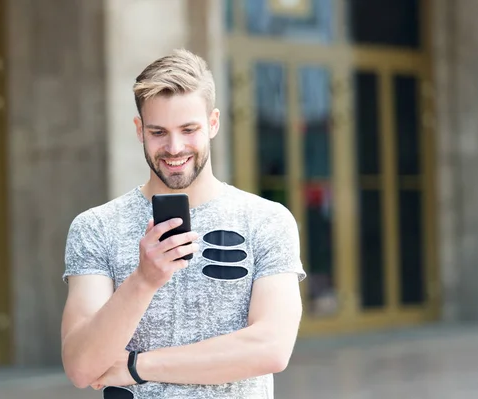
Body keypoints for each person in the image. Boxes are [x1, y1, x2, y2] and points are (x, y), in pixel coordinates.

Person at [60, 48, 306, 399]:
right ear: (139, 129)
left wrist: (136, 366)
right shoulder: (97, 227)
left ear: (214, 123)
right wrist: (143, 281)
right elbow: (81, 366)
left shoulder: (265, 221)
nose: (174, 148)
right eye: (158, 132)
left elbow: (271, 348)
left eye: (189, 129)